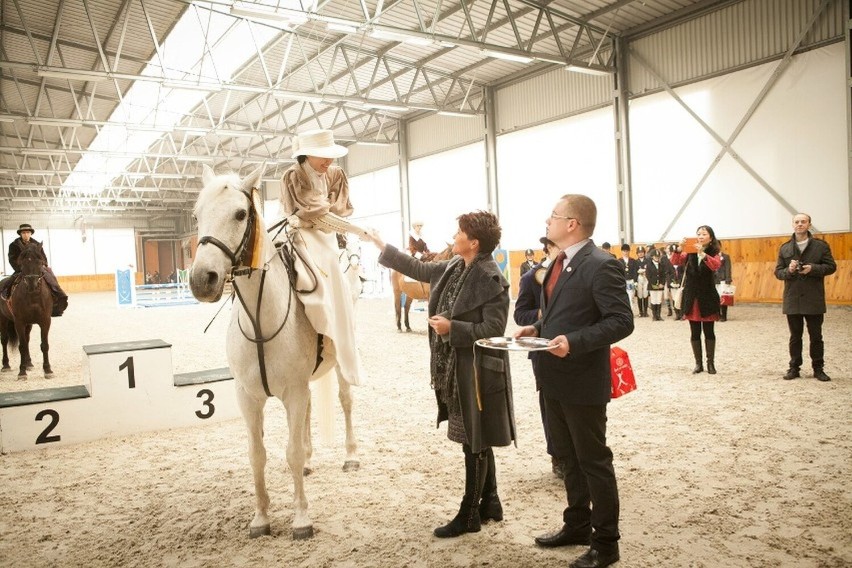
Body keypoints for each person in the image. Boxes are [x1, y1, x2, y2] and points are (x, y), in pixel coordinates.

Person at [365, 211, 515, 539]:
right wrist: (380, 243)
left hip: (476, 371)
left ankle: (470, 512)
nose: (454, 235)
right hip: (455, 367)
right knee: (477, 436)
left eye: (459, 232)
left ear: (473, 242)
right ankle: (491, 501)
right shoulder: (452, 266)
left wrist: (452, 328)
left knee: (473, 441)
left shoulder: (491, 278)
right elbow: (416, 268)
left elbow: (494, 329)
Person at [515, 195, 633, 568]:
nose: (547, 222)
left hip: (582, 379)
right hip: (551, 376)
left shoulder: (601, 265)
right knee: (567, 457)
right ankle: (577, 525)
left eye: (553, 216)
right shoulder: (556, 263)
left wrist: (575, 342)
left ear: (572, 224)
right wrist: (537, 328)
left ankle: (606, 544)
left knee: (594, 461)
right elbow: (558, 314)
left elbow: (621, 320)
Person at [279, 129, 363, 386]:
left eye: (330, 156)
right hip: (300, 232)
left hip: (328, 235)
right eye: (322, 157)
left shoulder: (336, 174)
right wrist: (359, 230)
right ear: (307, 155)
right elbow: (314, 214)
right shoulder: (292, 176)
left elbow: (335, 213)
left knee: (339, 273)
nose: (328, 162)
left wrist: (348, 230)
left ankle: (342, 339)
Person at [514, 236, 563, 480]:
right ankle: (557, 456)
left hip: (573, 348)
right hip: (543, 351)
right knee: (550, 405)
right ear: (549, 249)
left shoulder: (575, 272)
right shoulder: (530, 277)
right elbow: (520, 314)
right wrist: (541, 314)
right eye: (559, 247)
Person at [774, 213, 836, 382]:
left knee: (816, 336)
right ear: (792, 225)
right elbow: (778, 272)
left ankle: (818, 368)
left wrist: (813, 269)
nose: (800, 224)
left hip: (813, 298)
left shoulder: (821, 246)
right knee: (795, 336)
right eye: (797, 222)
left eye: (803, 221)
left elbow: (831, 267)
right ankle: (794, 367)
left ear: (809, 224)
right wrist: (790, 270)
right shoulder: (785, 248)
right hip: (793, 298)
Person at [670, 226, 722, 374]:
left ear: (710, 238)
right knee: (694, 332)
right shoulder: (689, 251)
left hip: (707, 295)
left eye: (704, 234)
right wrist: (679, 249)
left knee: (709, 331)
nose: (700, 236)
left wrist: (702, 254)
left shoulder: (714, 252)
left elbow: (716, 265)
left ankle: (710, 363)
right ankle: (698, 364)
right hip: (692, 296)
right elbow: (675, 261)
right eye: (698, 234)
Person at [2, 223, 68, 317]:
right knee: (9, 282)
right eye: (24, 233)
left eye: (28, 232)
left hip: (37, 269)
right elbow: (11, 259)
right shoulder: (13, 245)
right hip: (21, 269)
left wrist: (43, 265)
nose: (26, 234)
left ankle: (58, 296)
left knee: (50, 275)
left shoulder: (37, 244)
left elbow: (43, 258)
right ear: (20, 234)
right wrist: (20, 268)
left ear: (31, 233)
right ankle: (6, 296)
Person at [644, 248, 673, 321]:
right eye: (655, 256)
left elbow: (663, 275)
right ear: (652, 257)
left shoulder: (661, 265)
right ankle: (654, 316)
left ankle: (658, 315)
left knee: (659, 300)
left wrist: (662, 283)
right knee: (654, 300)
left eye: (658, 257)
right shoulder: (649, 265)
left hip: (660, 285)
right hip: (652, 285)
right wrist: (653, 284)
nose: (656, 258)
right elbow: (648, 276)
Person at [618, 244, 639, 316]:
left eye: (627, 251)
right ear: (621, 251)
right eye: (624, 251)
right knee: (623, 297)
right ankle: (624, 312)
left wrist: (635, 281)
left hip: (631, 281)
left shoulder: (633, 260)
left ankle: (630, 311)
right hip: (622, 281)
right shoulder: (619, 261)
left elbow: (635, 271)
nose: (625, 252)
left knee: (631, 296)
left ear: (629, 251)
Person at [714, 242, 733, 322]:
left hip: (723, 280)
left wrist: (728, 279)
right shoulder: (711, 257)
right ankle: (717, 314)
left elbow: (728, 268)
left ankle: (724, 315)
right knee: (716, 298)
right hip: (715, 280)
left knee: (724, 298)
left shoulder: (725, 257)